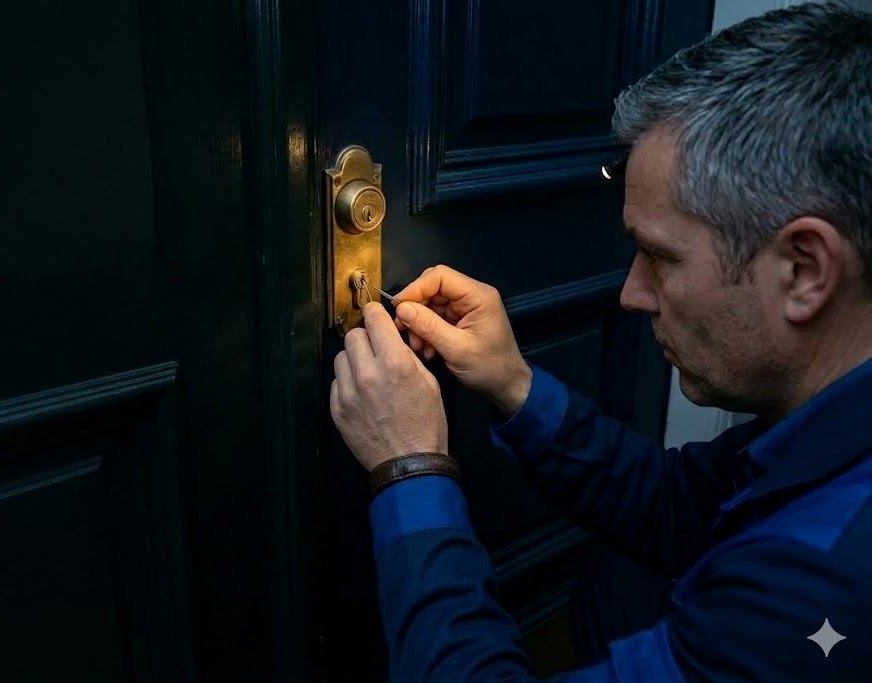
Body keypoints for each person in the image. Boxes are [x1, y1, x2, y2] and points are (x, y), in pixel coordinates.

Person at [329, 3, 872, 681]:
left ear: (804, 270)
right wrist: (512, 384)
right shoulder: (837, 415)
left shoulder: (818, 590)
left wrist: (408, 467)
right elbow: (678, 507)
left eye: (660, 256)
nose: (631, 293)